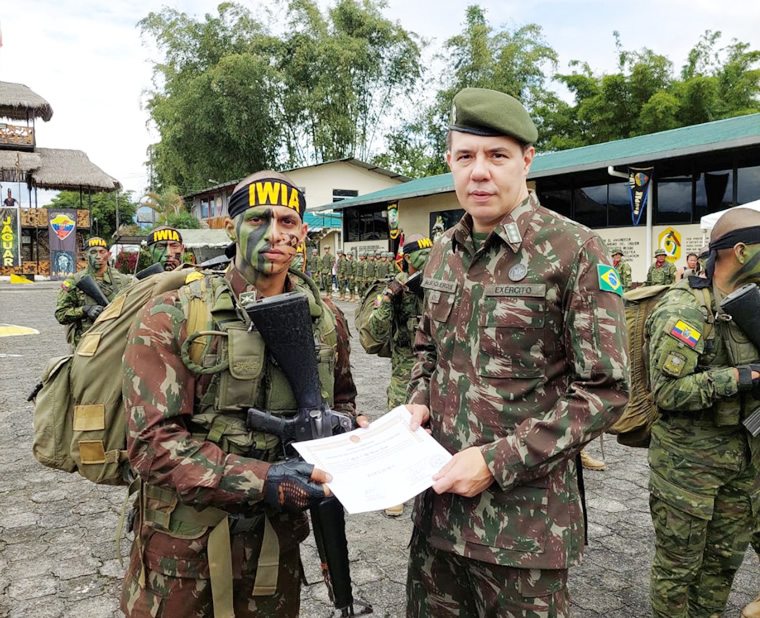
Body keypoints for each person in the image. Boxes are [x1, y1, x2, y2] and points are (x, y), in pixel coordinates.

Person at [404, 87, 629, 616]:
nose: (479, 172)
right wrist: (418, 400)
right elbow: (427, 351)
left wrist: (494, 460)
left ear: (528, 160)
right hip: (437, 519)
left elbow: (604, 391)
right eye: (465, 156)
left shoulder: (575, 250)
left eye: (497, 155)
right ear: (450, 164)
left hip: (524, 533)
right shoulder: (443, 251)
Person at [120, 170, 361, 617]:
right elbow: (150, 443)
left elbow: (341, 402)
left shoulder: (325, 320)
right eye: (257, 220)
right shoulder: (177, 314)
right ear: (231, 229)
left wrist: (352, 432)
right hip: (183, 554)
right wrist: (262, 480)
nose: (274, 234)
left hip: (274, 551)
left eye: (288, 222)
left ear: (303, 233)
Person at [645, 207, 760, 618]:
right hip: (687, 467)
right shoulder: (685, 311)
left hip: (743, 460)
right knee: (679, 570)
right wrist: (740, 378)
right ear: (741, 251)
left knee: (722, 563)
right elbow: (668, 392)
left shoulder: (753, 306)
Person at [359, 235, 432, 516]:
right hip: (406, 368)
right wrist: (390, 297)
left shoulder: (439, 282)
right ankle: (395, 489)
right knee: (401, 427)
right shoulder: (395, 286)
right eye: (420, 256)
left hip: (437, 365)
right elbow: (375, 333)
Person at [55, 237, 132, 347]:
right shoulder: (74, 281)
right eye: (93, 252)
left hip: (117, 342)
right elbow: (61, 314)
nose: (98, 256)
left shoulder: (124, 281)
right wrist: (85, 310)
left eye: (102, 252)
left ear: (108, 254)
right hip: (86, 342)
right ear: (86, 255)